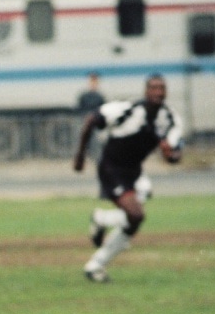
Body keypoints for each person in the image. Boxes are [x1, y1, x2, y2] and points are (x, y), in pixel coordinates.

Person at [73, 74, 183, 283]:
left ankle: (96, 261)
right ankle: (100, 230)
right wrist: (80, 156)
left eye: (162, 88)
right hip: (111, 168)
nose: (158, 92)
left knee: (134, 219)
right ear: (146, 91)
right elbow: (90, 121)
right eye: (154, 88)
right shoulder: (127, 110)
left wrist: (171, 156)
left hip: (134, 171)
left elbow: (175, 153)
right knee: (136, 216)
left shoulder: (170, 118)